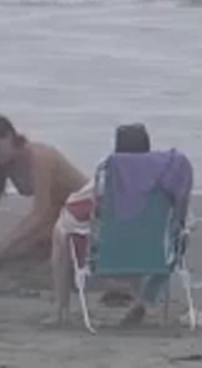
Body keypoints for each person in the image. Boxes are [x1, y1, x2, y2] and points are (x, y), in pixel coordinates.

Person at [49, 122, 159, 326]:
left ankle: (61, 309)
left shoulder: (108, 177)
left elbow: (73, 208)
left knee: (61, 230)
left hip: (108, 259)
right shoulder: (162, 178)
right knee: (143, 236)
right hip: (154, 257)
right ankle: (142, 301)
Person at [0, 113, 88, 271]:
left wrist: (3, 245)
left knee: (9, 250)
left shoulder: (39, 157)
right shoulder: (2, 163)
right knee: (14, 251)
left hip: (85, 208)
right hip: (57, 211)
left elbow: (39, 212)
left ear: (10, 137)